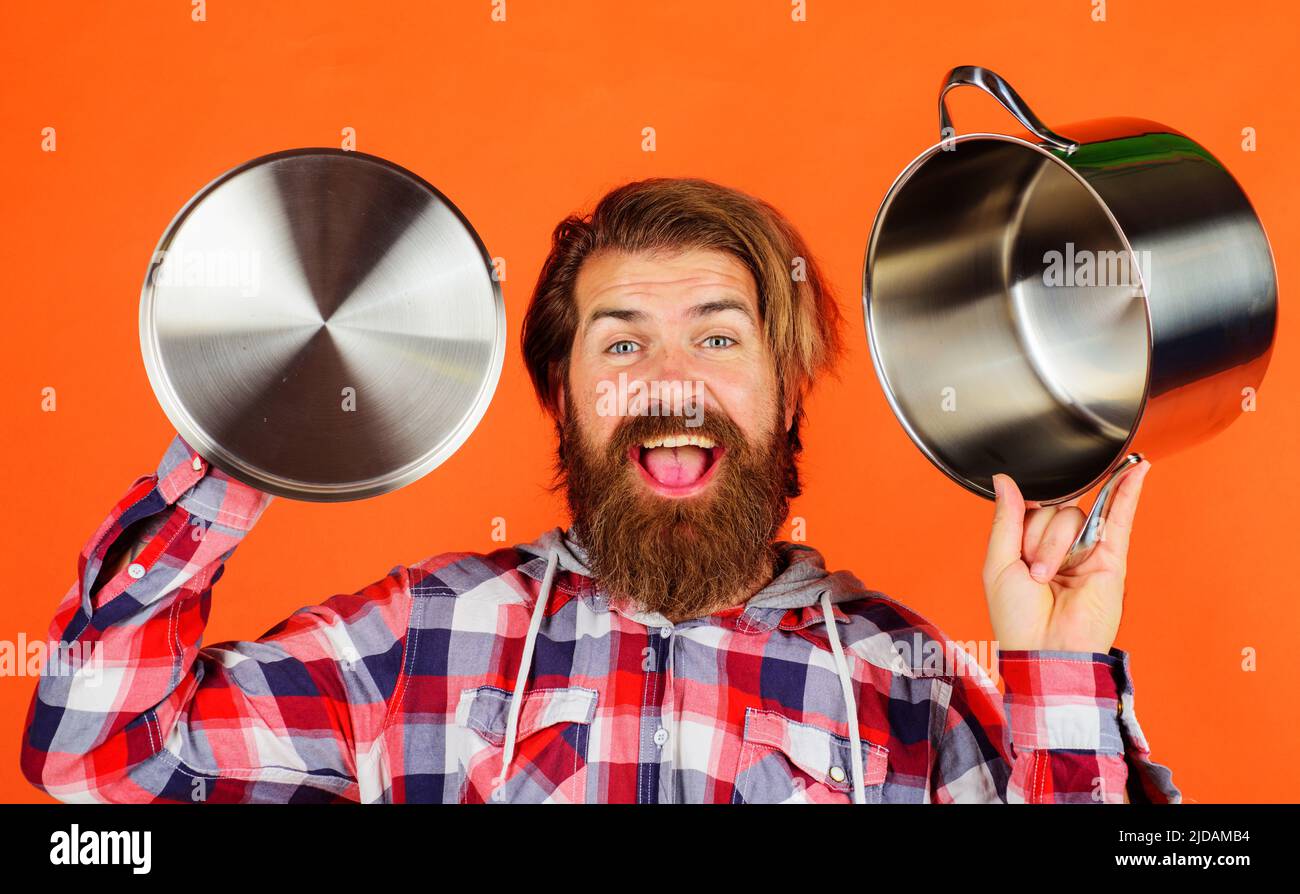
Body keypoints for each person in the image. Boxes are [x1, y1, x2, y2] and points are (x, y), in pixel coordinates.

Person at [20, 178, 1180, 804]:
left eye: (719, 341)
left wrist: (1059, 662)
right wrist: (246, 434)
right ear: (561, 399)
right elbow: (96, 760)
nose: (670, 381)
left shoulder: (902, 679)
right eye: (619, 347)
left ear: (787, 393)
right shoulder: (418, 635)